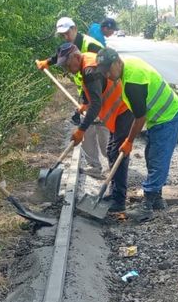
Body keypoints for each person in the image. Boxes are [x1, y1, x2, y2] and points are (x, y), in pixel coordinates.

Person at [95, 47, 178, 219]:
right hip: (158, 117)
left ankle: (147, 205)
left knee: (158, 159)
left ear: (117, 62)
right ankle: (157, 199)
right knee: (151, 156)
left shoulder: (133, 81)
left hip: (168, 116)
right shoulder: (127, 68)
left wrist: (128, 141)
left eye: (108, 70)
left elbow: (139, 117)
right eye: (103, 72)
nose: (107, 75)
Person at [54, 43, 134, 213]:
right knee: (113, 151)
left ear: (76, 57)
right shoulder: (87, 62)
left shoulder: (89, 70)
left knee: (117, 152)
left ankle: (119, 200)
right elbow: (94, 90)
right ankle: (114, 194)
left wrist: (81, 130)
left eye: (68, 65)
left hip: (123, 109)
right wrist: (85, 102)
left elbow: (97, 103)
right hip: (119, 110)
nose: (68, 69)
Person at [37, 18, 107, 175]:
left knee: (102, 128)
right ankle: (94, 166)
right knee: (86, 126)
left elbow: (98, 75)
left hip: (101, 91)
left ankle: (113, 163)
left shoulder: (91, 46)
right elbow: (60, 55)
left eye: (67, 33)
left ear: (74, 28)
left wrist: (90, 103)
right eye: (62, 35)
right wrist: (47, 62)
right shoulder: (69, 47)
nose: (66, 37)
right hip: (85, 90)